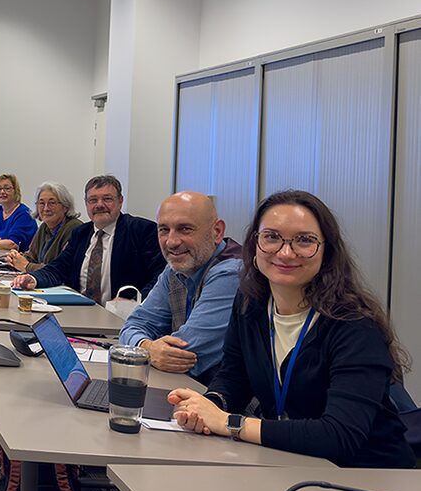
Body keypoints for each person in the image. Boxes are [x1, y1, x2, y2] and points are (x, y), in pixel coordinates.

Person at [169, 190, 413, 468]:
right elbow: (234, 376)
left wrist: (229, 422)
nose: (285, 253)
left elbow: (339, 435)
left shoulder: (355, 326)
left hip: (367, 476)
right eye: (271, 237)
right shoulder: (250, 303)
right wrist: (207, 407)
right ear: (255, 243)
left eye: (304, 240)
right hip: (290, 461)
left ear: (327, 251)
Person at [118, 192, 241, 383]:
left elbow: (182, 354)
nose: (171, 242)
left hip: (221, 395)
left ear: (217, 232)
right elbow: (134, 325)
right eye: (164, 230)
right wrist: (147, 347)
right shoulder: (175, 269)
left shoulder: (231, 272)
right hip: (187, 387)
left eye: (185, 229)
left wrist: (144, 349)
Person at [12, 175, 164, 302]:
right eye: (93, 200)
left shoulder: (142, 231)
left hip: (123, 318)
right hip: (81, 311)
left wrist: (135, 302)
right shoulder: (81, 233)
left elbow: (160, 277)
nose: (99, 205)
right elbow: (59, 268)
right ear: (86, 204)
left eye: (107, 199)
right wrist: (33, 278)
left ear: (120, 201)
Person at [5, 182, 82, 273]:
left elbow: (61, 271)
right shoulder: (44, 227)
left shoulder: (74, 229)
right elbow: (31, 256)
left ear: (65, 206)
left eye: (52, 203)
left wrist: (27, 266)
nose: (46, 208)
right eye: (41, 203)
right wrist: (15, 258)